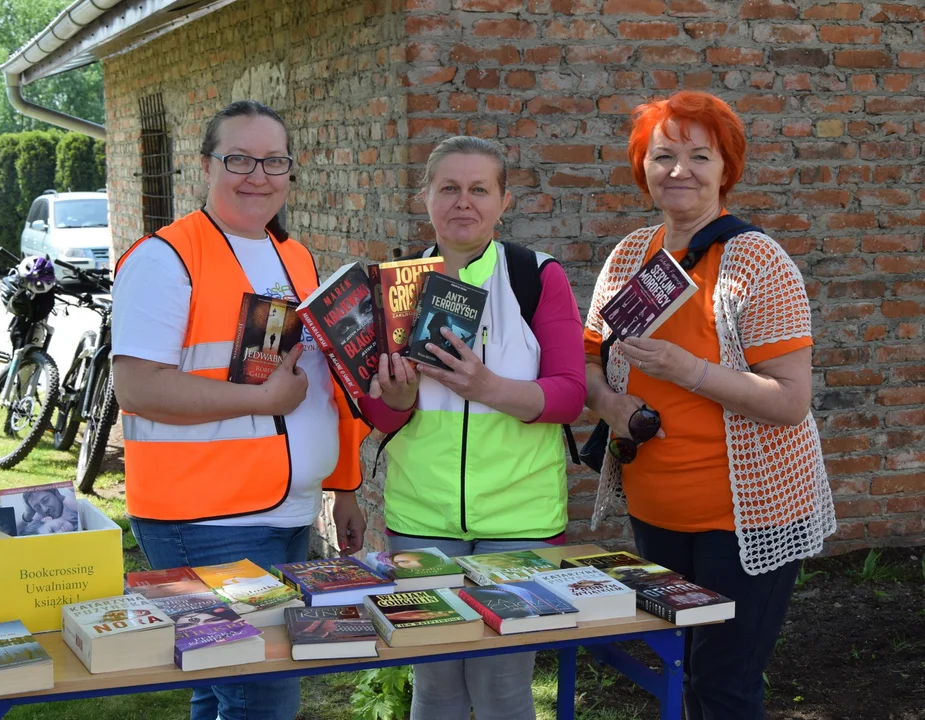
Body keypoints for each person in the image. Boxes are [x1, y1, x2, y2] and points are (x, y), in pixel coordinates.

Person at [110, 100, 369, 720]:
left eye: (274, 160)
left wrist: (344, 488)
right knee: (263, 698)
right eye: (239, 159)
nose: (259, 175)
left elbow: (319, 382)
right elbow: (138, 389)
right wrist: (259, 400)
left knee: (222, 685)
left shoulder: (295, 256)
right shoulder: (163, 259)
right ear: (205, 166)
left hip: (285, 509)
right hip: (205, 517)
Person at [583, 90, 836, 719]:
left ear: (727, 169)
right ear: (642, 166)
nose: (680, 170)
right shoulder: (628, 257)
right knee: (682, 671)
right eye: (663, 155)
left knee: (723, 685)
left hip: (748, 519)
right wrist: (612, 407)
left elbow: (790, 401)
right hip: (657, 510)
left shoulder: (757, 261)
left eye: (700, 156)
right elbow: (588, 362)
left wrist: (689, 369)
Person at [360, 136, 587, 720]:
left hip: (521, 520)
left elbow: (570, 395)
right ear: (426, 197)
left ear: (503, 200)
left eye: (479, 189)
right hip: (420, 520)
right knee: (434, 685)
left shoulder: (537, 277)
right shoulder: (395, 287)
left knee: (503, 687)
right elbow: (380, 416)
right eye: (449, 188)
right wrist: (400, 397)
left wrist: (490, 388)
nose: (464, 202)